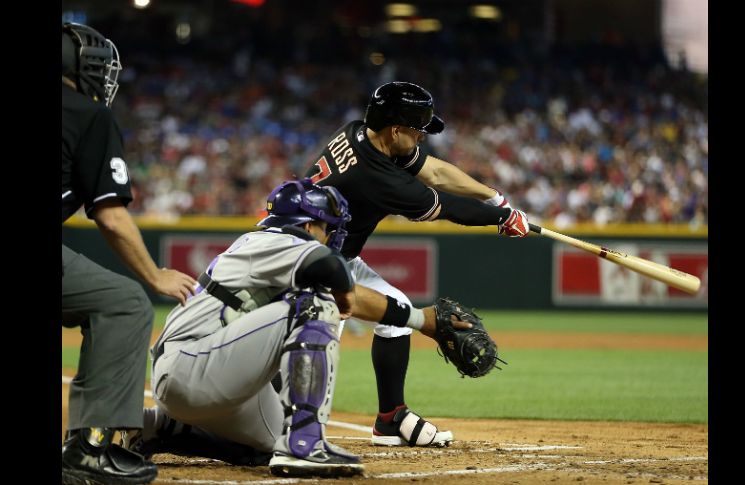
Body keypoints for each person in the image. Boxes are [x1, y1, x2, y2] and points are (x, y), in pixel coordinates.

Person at [123, 178, 473, 477]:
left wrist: (420, 320)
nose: (333, 236)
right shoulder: (276, 241)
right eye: (328, 227)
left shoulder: (267, 247)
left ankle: (162, 428)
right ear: (307, 226)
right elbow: (334, 272)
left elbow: (353, 293)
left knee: (265, 448)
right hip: (191, 368)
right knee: (314, 306)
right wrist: (340, 291)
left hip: (202, 373)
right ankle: (303, 443)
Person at [304, 81, 530, 447]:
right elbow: (446, 207)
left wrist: (494, 198)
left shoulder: (361, 133)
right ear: (396, 130)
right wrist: (501, 220)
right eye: (418, 130)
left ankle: (391, 418)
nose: (422, 137)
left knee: (397, 315)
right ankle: (290, 433)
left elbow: (436, 172)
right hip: (308, 267)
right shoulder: (376, 175)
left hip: (336, 256)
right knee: (316, 346)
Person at [62, 22, 197, 485]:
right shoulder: (87, 113)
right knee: (124, 303)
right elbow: (112, 216)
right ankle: (90, 449)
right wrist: (155, 276)